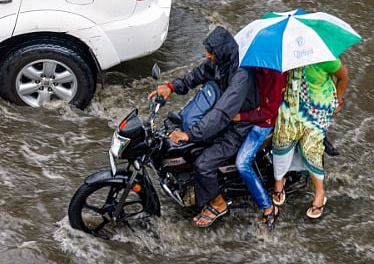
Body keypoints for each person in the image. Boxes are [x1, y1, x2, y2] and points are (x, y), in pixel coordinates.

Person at [148, 26, 259, 228]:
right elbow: (198, 74)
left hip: (238, 127)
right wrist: (171, 87)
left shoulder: (241, 76)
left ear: (222, 52)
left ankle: (218, 203)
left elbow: (222, 113)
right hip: (223, 116)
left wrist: (190, 135)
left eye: (211, 53)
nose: (208, 56)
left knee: (203, 164)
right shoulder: (220, 63)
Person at [270, 59, 350, 219]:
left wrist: (338, 101)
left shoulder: (326, 58)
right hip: (292, 103)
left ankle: (320, 192)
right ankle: (279, 180)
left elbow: (343, 77)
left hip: (317, 109)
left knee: (310, 149)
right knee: (281, 139)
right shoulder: (288, 55)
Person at [234, 67, 287, 229]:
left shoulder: (276, 75)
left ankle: (268, 207)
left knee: (242, 163)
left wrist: (241, 116)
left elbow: (269, 111)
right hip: (250, 113)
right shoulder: (252, 68)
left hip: (264, 122)